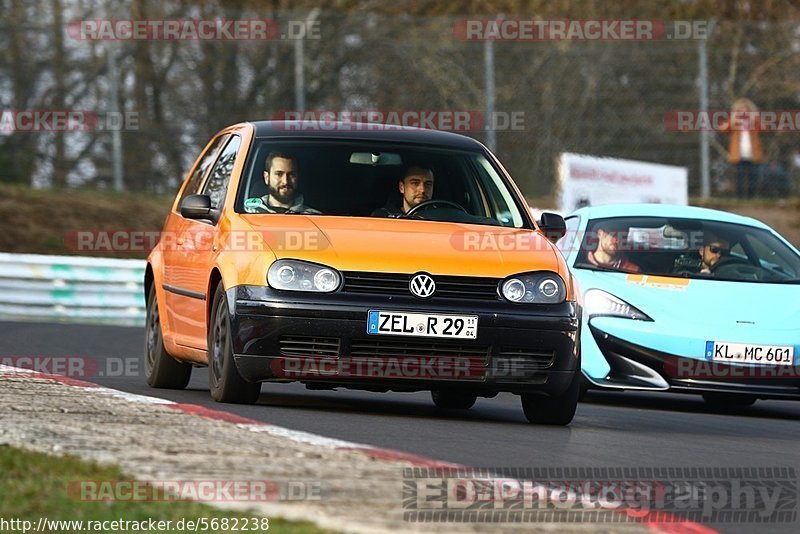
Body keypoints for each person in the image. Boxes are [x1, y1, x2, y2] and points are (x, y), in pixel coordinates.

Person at [244, 151, 321, 214]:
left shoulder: (315, 218)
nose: (285, 181)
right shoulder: (247, 213)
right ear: (267, 177)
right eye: (279, 174)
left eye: (291, 175)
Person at [719, 98, 763, 199]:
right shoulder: (734, 122)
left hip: (753, 154)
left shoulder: (754, 121)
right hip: (739, 155)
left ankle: (751, 197)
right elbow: (723, 128)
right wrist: (734, 120)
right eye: (741, 110)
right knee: (740, 177)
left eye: (746, 110)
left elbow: (764, 127)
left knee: (753, 177)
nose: (744, 112)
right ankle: (740, 198)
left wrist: (753, 119)